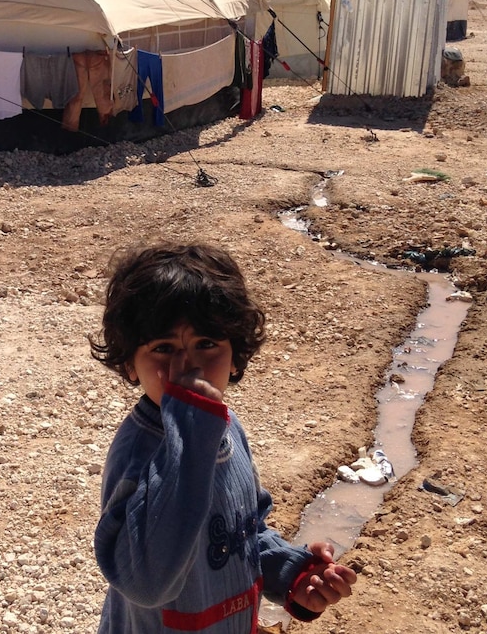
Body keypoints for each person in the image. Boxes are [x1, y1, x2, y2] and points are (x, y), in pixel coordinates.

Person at [89, 242, 357, 633]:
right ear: (131, 364)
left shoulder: (226, 426)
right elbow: (146, 584)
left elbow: (244, 531)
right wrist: (192, 430)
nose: (187, 364)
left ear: (235, 356)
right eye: (163, 348)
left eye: (207, 344)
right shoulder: (138, 454)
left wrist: (293, 574)